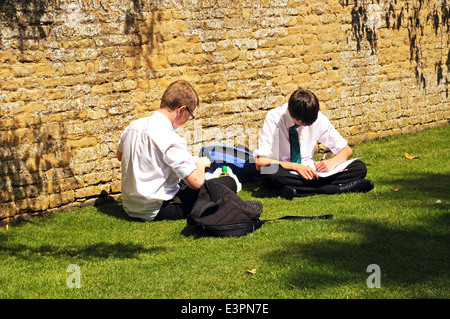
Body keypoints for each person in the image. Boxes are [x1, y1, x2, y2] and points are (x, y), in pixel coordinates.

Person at [116, 80, 238, 221]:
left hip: (130, 207)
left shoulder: (133, 126)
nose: (188, 119)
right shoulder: (169, 137)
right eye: (190, 114)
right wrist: (201, 163)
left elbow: (120, 156)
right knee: (228, 183)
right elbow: (196, 182)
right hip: (158, 209)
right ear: (181, 110)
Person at [254, 88, 374, 199]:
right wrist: (295, 166)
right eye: (302, 124)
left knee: (359, 167)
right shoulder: (273, 118)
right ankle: (336, 188)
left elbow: (346, 150)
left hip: (311, 171)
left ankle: (296, 190)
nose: (305, 127)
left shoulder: (318, 118)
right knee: (269, 174)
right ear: (292, 115)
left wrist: (331, 163)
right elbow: (260, 162)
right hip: (286, 170)